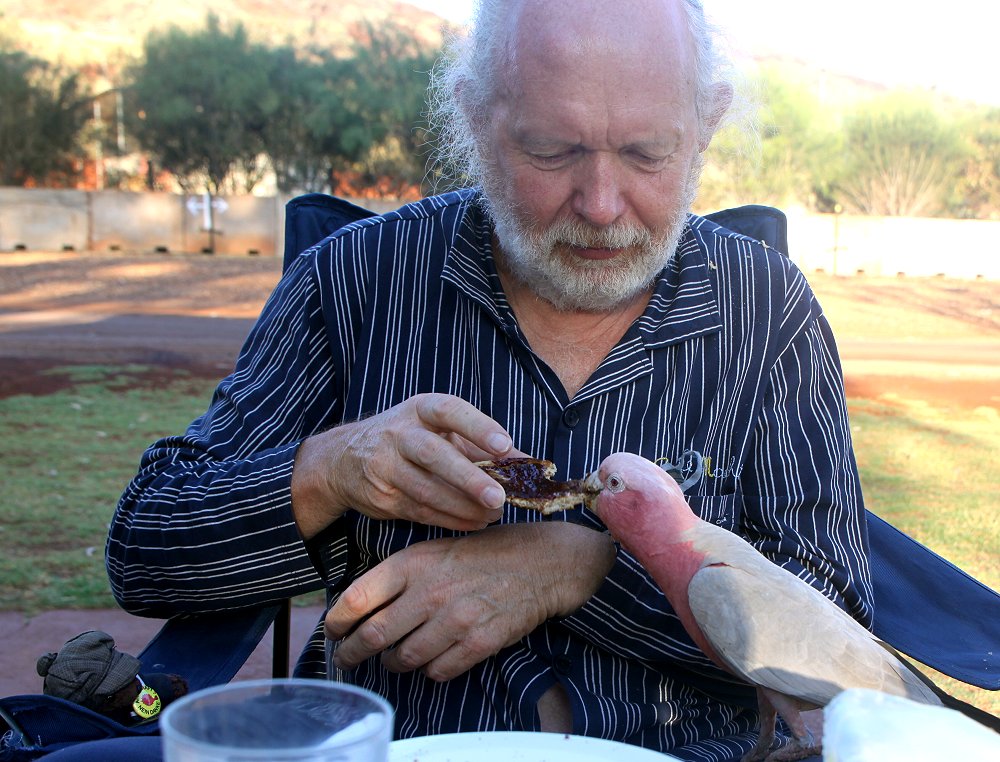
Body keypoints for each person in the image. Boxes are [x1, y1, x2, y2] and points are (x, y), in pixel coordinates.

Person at [106, 0, 871, 759]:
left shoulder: (767, 310)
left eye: (647, 153)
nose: (602, 206)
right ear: (475, 119)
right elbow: (146, 552)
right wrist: (329, 471)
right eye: (551, 151)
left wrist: (584, 568)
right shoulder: (353, 281)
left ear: (705, 125)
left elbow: (836, 615)